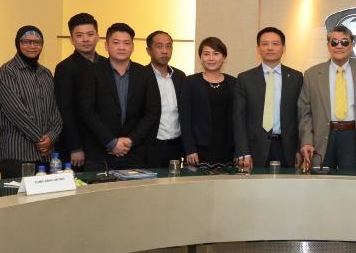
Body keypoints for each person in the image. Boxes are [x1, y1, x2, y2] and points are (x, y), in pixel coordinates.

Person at [79, 22, 161, 168]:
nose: (122, 47)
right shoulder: (91, 73)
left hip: (135, 153)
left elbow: (153, 112)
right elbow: (87, 112)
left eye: (126, 43)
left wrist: (131, 140)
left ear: (133, 47)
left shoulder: (145, 74)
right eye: (116, 42)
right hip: (100, 152)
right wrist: (111, 142)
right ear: (106, 45)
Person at [298, 25, 356, 172]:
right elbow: (305, 112)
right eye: (334, 42)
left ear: (352, 45)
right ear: (328, 45)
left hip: (354, 137)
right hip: (322, 137)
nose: (339, 46)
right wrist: (307, 140)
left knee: (353, 182)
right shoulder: (312, 74)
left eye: (344, 42)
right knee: (321, 183)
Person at [0, 26, 64, 179]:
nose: (32, 46)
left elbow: (55, 110)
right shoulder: (7, 72)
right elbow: (16, 112)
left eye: (37, 42)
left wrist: (51, 137)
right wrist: (41, 140)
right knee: (18, 195)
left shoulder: (46, 73)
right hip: (16, 154)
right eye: (26, 42)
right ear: (18, 44)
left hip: (46, 156)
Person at [233, 27, 303, 171]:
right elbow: (238, 118)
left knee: (287, 185)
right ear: (258, 48)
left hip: (287, 148)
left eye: (275, 44)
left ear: (284, 48)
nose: (270, 48)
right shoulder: (245, 78)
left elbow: (300, 116)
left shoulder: (296, 77)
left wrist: (299, 149)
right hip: (254, 148)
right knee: (256, 185)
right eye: (265, 44)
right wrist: (243, 151)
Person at [54, 12, 106, 169]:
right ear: (71, 39)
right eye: (79, 35)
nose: (85, 39)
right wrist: (75, 147)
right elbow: (66, 110)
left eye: (90, 34)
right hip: (80, 146)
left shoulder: (107, 64)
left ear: (97, 37)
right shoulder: (65, 68)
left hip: (105, 142)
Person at [181, 37, 238, 165]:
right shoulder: (190, 82)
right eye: (206, 54)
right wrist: (190, 149)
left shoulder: (234, 83)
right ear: (200, 57)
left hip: (228, 148)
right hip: (199, 149)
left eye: (216, 53)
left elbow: (239, 118)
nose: (211, 58)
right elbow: (185, 118)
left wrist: (239, 150)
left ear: (224, 57)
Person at [143, 30, 189, 168]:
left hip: (176, 146)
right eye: (159, 46)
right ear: (148, 50)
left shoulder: (180, 76)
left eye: (168, 46)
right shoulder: (141, 76)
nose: (165, 51)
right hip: (150, 146)